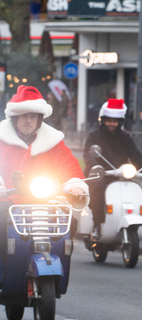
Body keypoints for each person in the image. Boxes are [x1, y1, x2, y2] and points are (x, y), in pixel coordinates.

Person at [0, 86, 88, 264]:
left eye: (33, 116)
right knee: (1, 220)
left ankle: (59, 262)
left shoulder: (52, 140)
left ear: (39, 119)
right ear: (15, 117)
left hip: (44, 198)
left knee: (68, 218)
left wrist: (75, 185)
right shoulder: (2, 137)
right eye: (24, 116)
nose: (28, 121)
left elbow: (68, 164)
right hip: (8, 198)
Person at [83, 99, 142, 239]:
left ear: (120, 122)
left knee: (132, 191)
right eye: (109, 120)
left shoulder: (125, 138)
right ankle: (97, 225)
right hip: (99, 175)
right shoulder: (94, 136)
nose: (111, 124)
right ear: (102, 120)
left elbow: (135, 154)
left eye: (115, 121)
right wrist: (93, 167)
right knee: (98, 191)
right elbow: (88, 154)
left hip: (121, 176)